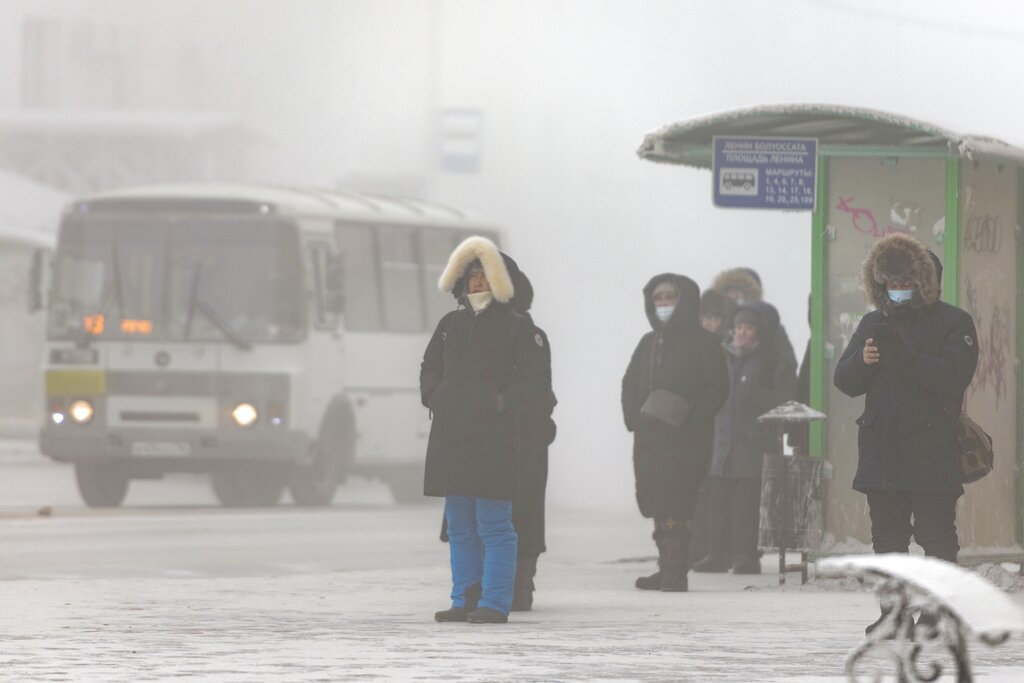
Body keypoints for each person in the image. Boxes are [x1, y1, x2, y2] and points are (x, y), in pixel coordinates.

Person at [420, 236, 548, 624]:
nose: (478, 285)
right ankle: (464, 599)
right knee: (460, 526)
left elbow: (536, 384)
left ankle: (494, 601)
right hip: (451, 438)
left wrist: (500, 403)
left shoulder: (517, 328)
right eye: (472, 278)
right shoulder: (449, 325)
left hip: (495, 441)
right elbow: (430, 367)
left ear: (500, 281)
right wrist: (434, 396)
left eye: (485, 277)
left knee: (494, 525)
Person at [834, 234, 978, 572]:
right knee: (887, 542)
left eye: (908, 280)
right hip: (882, 451)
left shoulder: (954, 322)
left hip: (931, 450)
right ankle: (893, 616)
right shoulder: (873, 322)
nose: (899, 287)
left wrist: (904, 357)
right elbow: (844, 381)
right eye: (893, 281)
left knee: (936, 537)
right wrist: (862, 361)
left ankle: (935, 615)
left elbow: (954, 376)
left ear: (927, 282)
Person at [621, 274, 729, 592]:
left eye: (671, 298)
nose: (664, 304)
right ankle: (666, 566)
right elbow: (629, 383)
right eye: (659, 299)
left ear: (685, 302)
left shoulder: (704, 343)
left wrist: (693, 419)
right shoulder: (648, 342)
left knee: (677, 502)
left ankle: (675, 570)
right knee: (656, 500)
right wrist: (633, 419)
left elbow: (717, 388)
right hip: (649, 438)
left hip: (687, 440)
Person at [694, 301, 797, 574]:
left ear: (758, 332)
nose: (741, 332)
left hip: (754, 444)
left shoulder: (768, 361)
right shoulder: (723, 356)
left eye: (748, 327)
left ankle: (745, 556)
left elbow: (785, 397)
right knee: (718, 502)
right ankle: (717, 554)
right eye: (738, 327)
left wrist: (760, 397)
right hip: (722, 443)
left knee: (746, 506)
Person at [508, 271, 557, 611]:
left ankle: (521, 587)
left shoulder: (531, 336)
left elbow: (540, 392)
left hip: (524, 440)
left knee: (524, 514)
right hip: (493, 439)